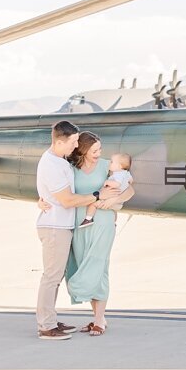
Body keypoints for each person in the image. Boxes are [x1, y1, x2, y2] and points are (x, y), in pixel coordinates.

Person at [62, 133, 135, 336]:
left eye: (100, 150)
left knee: (99, 267)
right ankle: (98, 317)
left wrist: (113, 202)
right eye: (94, 150)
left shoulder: (106, 166)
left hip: (102, 223)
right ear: (82, 150)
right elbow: (62, 193)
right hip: (79, 223)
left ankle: (99, 320)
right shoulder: (70, 168)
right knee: (83, 264)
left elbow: (129, 190)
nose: (99, 154)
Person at [36, 120, 100, 340]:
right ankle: (46, 326)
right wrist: (97, 197)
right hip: (54, 227)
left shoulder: (59, 160)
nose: (76, 145)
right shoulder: (51, 165)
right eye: (73, 141)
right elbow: (67, 200)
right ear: (60, 141)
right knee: (51, 277)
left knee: (56, 275)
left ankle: (51, 320)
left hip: (60, 225)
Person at [80, 152, 133, 227]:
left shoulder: (118, 175)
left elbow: (118, 184)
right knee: (113, 211)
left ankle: (88, 219)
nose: (109, 163)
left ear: (119, 166)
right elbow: (131, 180)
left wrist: (107, 182)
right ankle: (113, 223)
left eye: (111, 162)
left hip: (108, 199)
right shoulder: (126, 173)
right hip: (118, 202)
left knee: (92, 204)